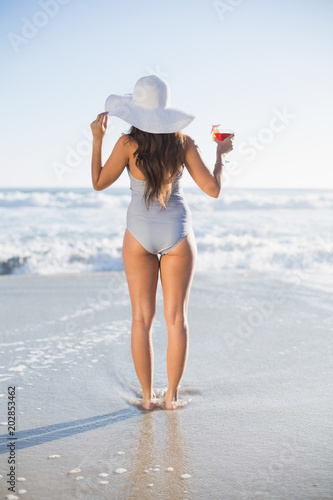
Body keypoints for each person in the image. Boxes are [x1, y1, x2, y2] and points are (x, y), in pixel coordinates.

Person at [90, 75, 234, 410]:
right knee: (176, 320)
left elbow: (98, 182)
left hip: (138, 234)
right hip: (177, 234)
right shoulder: (183, 143)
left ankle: (146, 397)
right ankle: (170, 398)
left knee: (141, 319)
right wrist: (219, 155)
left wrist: (97, 138)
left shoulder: (127, 145)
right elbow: (213, 190)